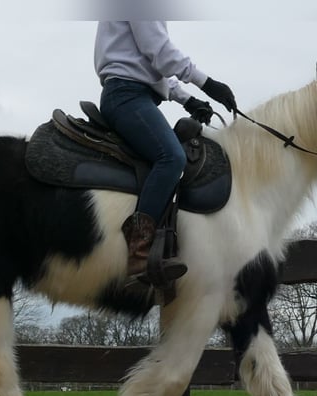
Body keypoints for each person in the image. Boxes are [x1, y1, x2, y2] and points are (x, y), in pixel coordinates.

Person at [94, 21, 237, 286]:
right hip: (127, 96)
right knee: (172, 158)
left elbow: (152, 65)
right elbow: (160, 51)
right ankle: (138, 252)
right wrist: (207, 84)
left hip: (134, 94)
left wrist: (188, 100)